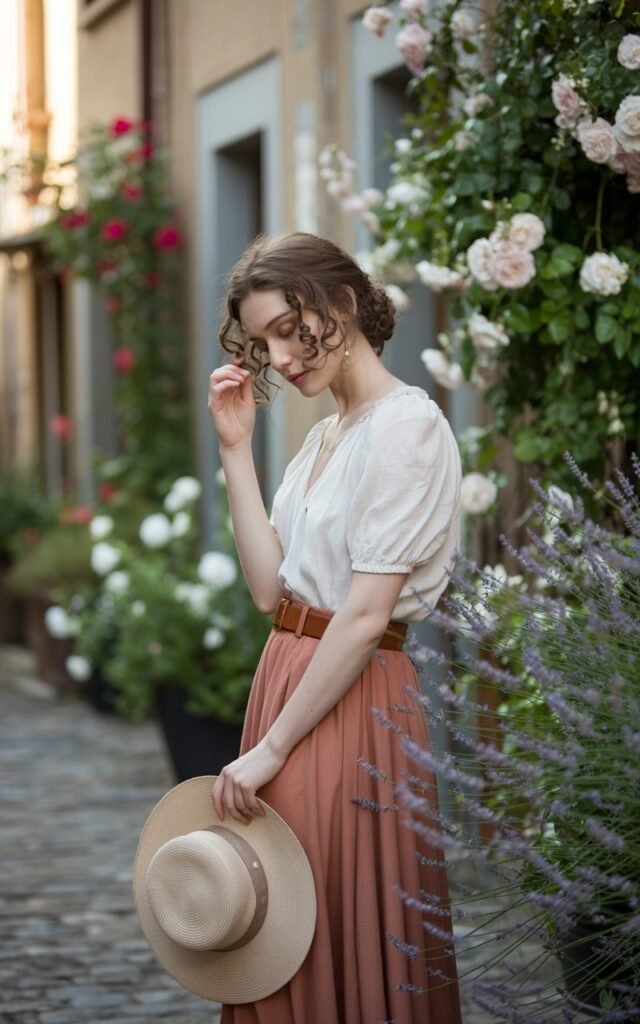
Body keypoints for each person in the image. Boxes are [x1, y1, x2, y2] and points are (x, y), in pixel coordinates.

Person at [207, 232, 463, 1024]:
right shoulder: (325, 438)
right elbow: (267, 591)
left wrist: (275, 745)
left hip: (349, 698)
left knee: (330, 919)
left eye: (289, 328)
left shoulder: (404, 427)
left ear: (341, 304)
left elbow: (362, 615)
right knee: (275, 917)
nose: (280, 357)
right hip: (289, 682)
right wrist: (236, 452)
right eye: (263, 343)